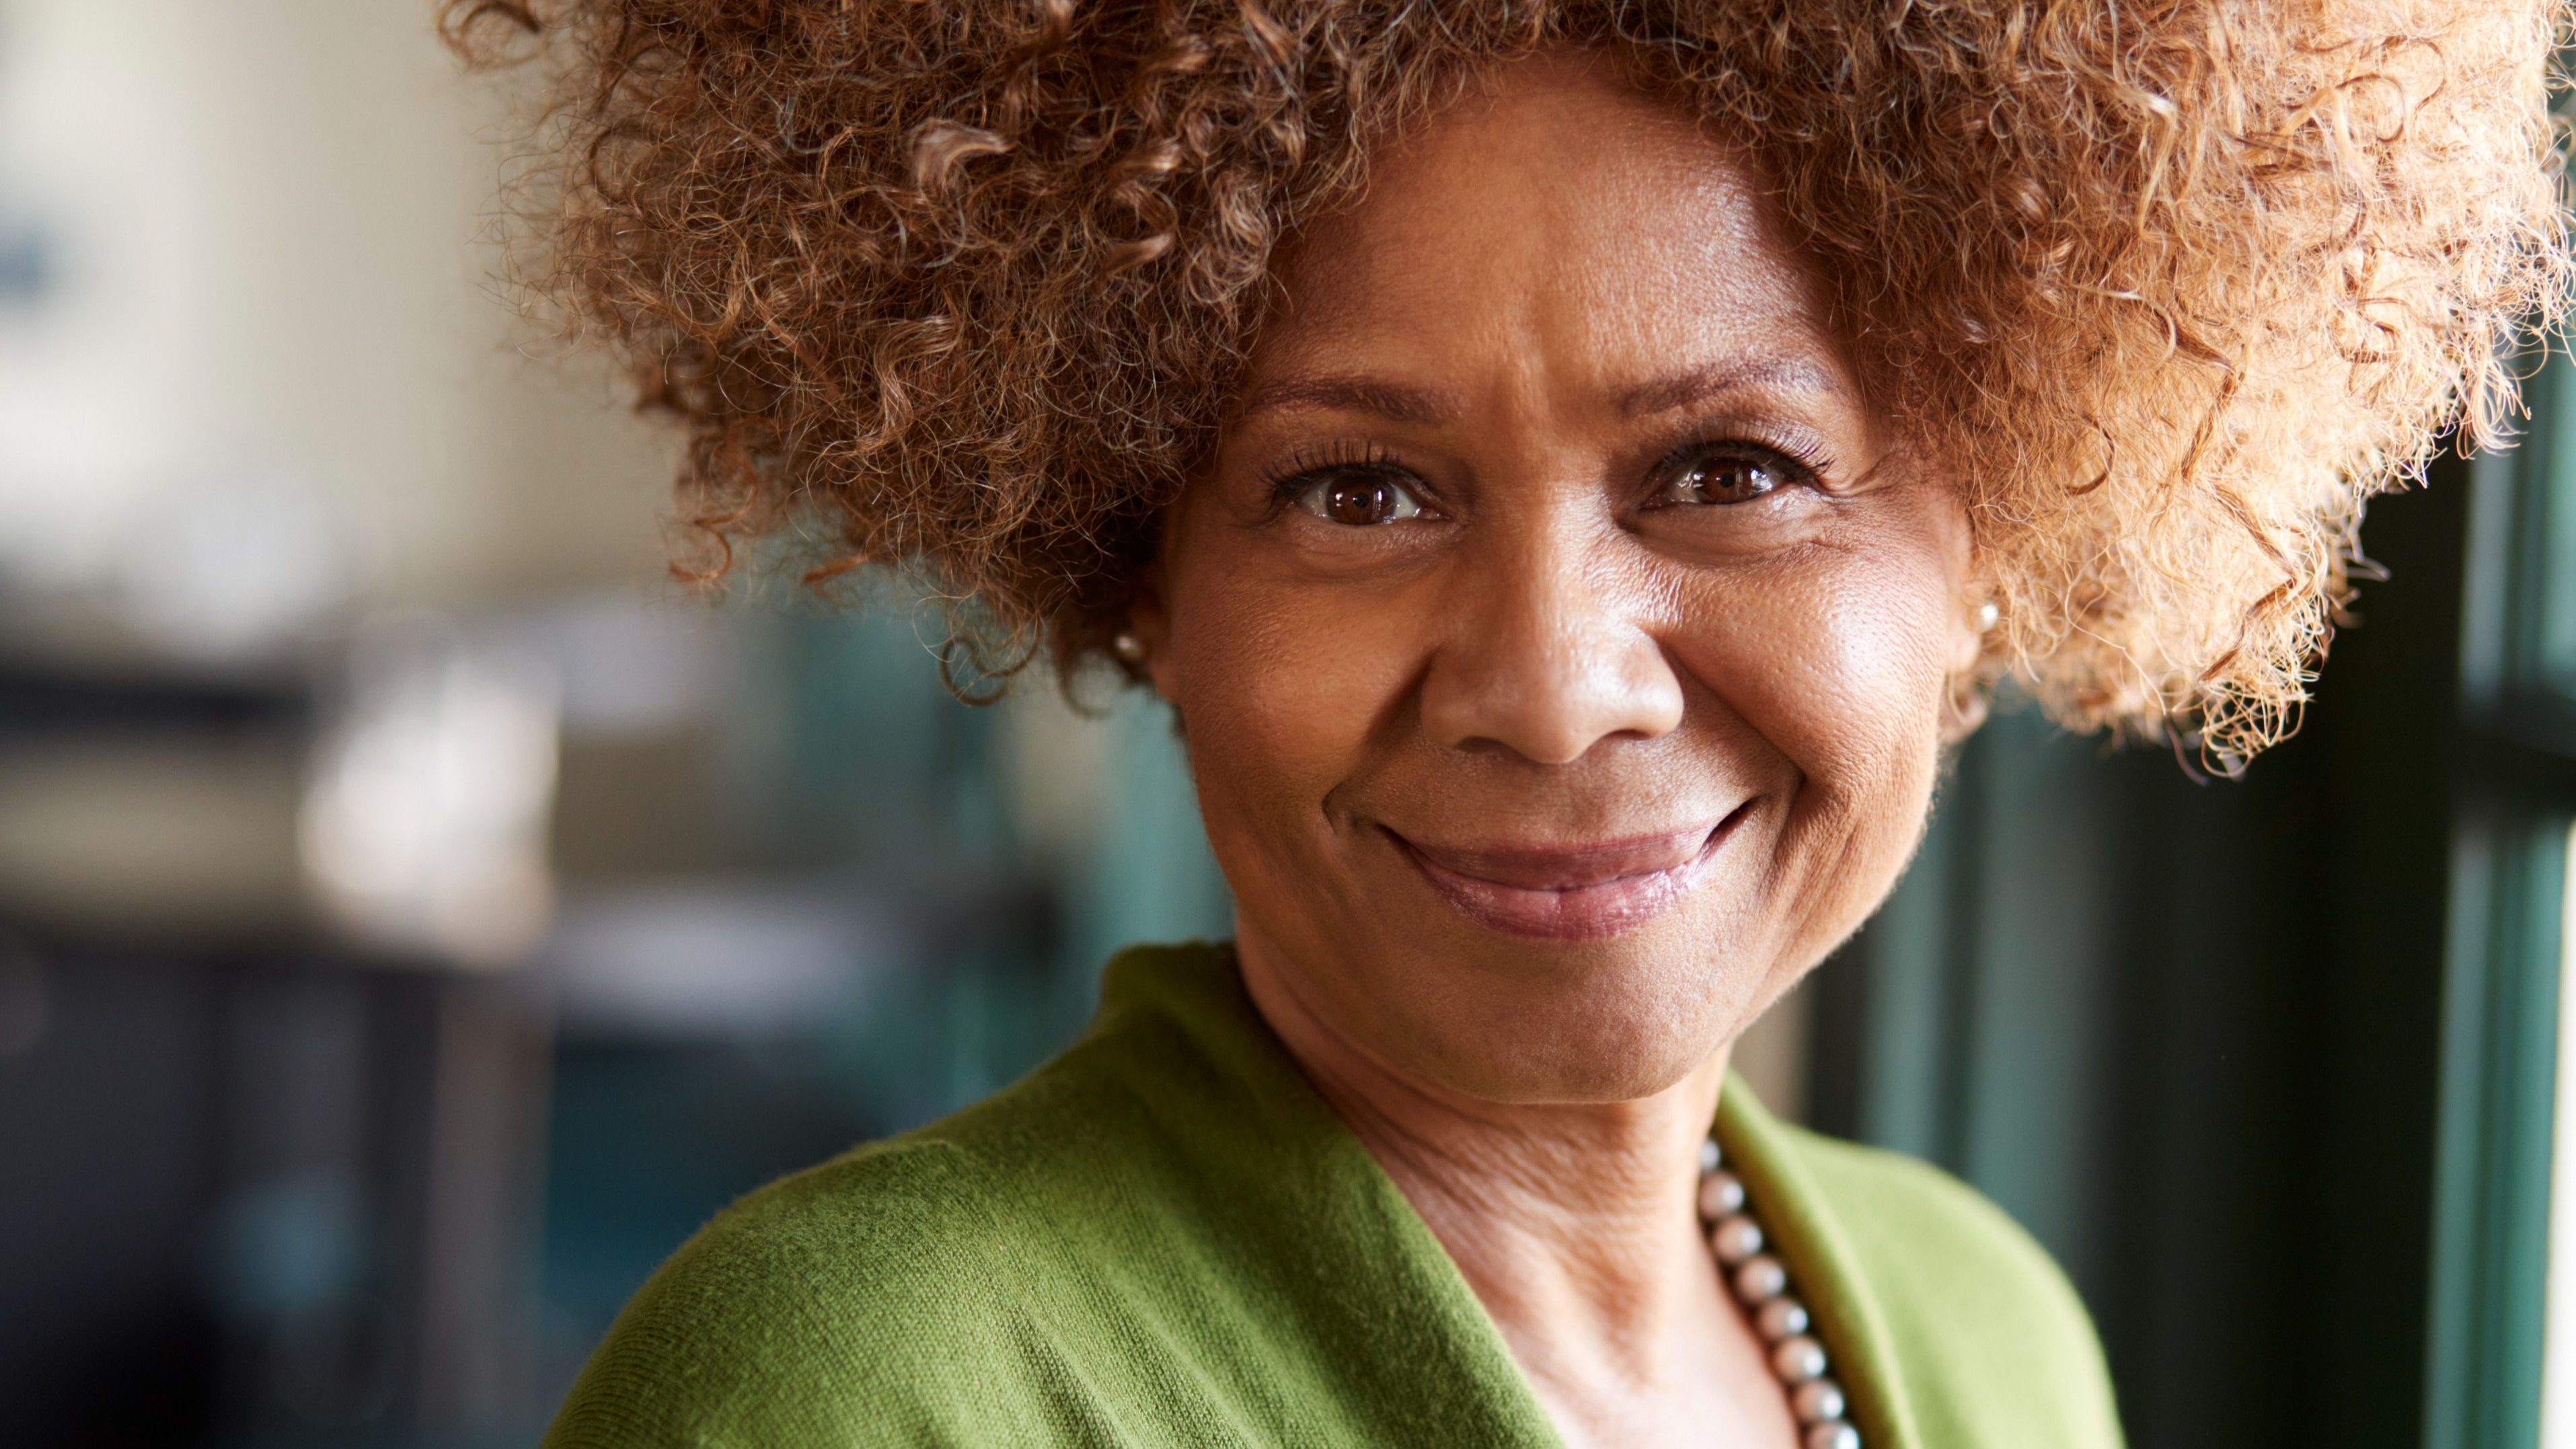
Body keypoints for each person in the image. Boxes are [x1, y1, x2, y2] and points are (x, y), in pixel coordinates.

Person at [447, 2, 2565, 1445]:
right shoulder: (859, 1393)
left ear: (1995, 531)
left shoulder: (1987, 1334)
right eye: (1358, 492)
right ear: (1141, 581)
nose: (1555, 688)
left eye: (1730, 470)